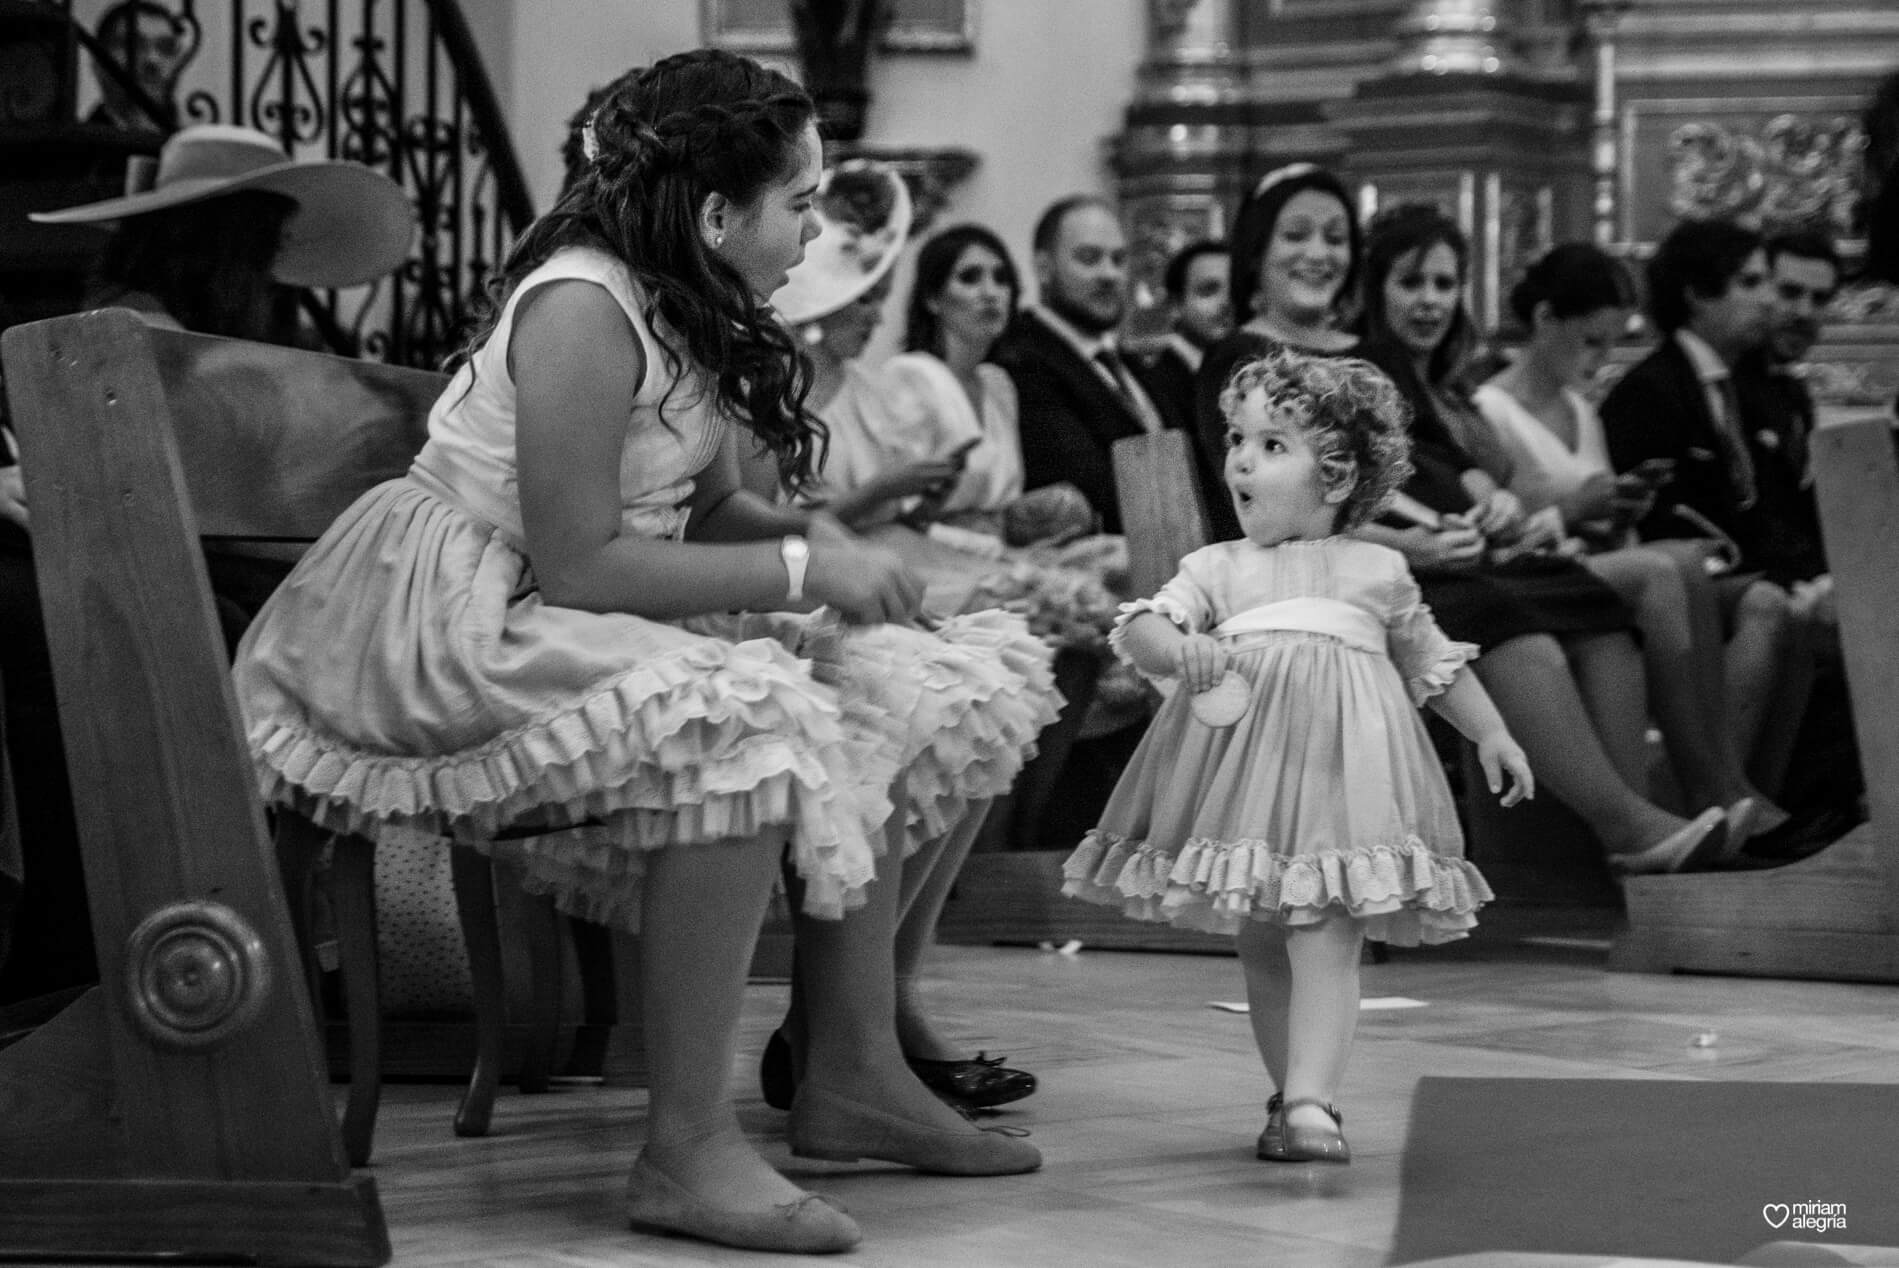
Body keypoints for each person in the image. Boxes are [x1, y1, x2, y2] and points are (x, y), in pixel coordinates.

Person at [231, 50, 1054, 1255]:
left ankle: (855, 1066)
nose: (819, 225)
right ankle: (684, 1146)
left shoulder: (696, 300)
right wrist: (801, 575)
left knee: (926, 684)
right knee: (742, 720)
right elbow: (579, 560)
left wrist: (837, 555)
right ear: (717, 211)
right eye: (804, 201)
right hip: (449, 614)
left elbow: (707, 512)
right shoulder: (581, 301)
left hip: (572, 594)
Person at [1065, 348, 1529, 1165]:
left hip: (1347, 784)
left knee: (1326, 927)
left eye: (1272, 444)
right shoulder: (1216, 567)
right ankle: (1289, 1092)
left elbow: (1430, 661)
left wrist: (1489, 730)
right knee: (1261, 937)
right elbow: (1141, 622)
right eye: (1236, 439)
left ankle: (1314, 1098)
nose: (1241, 459)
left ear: (1340, 474)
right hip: (1247, 784)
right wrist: (1178, 651)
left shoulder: (1379, 570)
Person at [0, 124, 415, 1007]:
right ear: (225, 248)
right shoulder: (140, 342)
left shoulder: (160, 333)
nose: (268, 277)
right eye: (258, 252)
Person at [745, 165, 1058, 1113]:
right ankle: (852, 1024)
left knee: (977, 681)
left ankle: (879, 999)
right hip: (741, 583)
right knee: (906, 691)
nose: (864, 307)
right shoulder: (742, 351)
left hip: (796, 561)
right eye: (797, 209)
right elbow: (743, 511)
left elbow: (762, 506)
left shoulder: (815, 372)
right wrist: (838, 554)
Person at [1354, 203, 1736, 873]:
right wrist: (1517, 515)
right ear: (1373, 288)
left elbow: (1469, 481)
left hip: (1488, 552)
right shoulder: (1371, 377)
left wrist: (1500, 509)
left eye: (1444, 285)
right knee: (1611, 587)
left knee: (1606, 615)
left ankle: (1644, 830)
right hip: (1433, 568)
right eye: (1410, 283)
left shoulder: (1442, 388)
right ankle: (1640, 819)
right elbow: (1391, 493)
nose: (1429, 301)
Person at [1473, 242, 1786, 831]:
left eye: (1613, 342)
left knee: (1704, 570)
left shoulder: (1581, 408)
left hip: (1589, 564)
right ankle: (1701, 788)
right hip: (1533, 579)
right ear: (1544, 321)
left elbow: (1594, 516)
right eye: (1592, 341)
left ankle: (1724, 779)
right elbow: (1498, 536)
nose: (1602, 358)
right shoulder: (1490, 410)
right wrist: (1570, 513)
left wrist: (1615, 511)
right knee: (1666, 570)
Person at [1599, 218, 1812, 783]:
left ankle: (1762, 799)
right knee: (1769, 605)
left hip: (1736, 569)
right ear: (1696, 292)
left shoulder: (1744, 388)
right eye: (1749, 282)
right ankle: (1717, 793)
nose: (1769, 299)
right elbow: (1664, 516)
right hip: (1674, 575)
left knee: (1807, 612)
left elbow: (1771, 507)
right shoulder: (1650, 390)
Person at [1191, 164, 1363, 542]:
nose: (1319, 253)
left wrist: (1491, 507)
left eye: (1335, 238)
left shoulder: (1375, 349)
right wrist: (1411, 546)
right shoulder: (1240, 359)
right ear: (1256, 252)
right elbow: (1259, 494)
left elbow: (1438, 457)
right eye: (1296, 235)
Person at [994, 193, 1173, 535]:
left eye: (1118, 260)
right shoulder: (1022, 359)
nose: (1109, 274)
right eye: (1089, 258)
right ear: (1044, 268)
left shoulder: (1131, 362)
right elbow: (1085, 484)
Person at [1134, 237, 1231, 432]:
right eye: (1208, 291)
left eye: (1235, 290)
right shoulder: (1151, 386)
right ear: (1175, 306)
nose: (1226, 302)